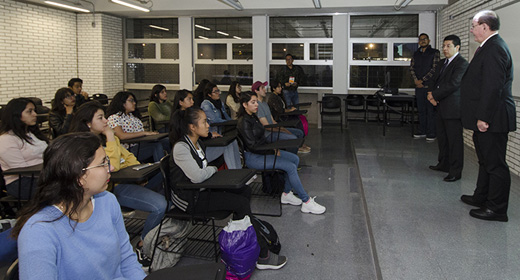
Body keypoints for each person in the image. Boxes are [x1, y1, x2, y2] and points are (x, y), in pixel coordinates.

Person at [12, 132, 146, 280]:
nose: (112, 167)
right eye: (103, 163)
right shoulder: (38, 232)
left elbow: (126, 258)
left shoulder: (107, 201)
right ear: (79, 177)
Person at [169, 107, 287, 269]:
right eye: (204, 121)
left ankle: (240, 239)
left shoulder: (198, 143)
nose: (208, 124)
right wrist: (213, 169)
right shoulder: (181, 147)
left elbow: (202, 172)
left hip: (202, 190)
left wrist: (209, 170)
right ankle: (263, 255)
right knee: (240, 204)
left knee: (244, 191)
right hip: (189, 200)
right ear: (192, 127)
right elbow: (197, 176)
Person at [70, 101, 166, 264]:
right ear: (88, 124)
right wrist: (109, 136)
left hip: (127, 180)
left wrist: (138, 172)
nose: (106, 121)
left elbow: (128, 157)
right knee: (160, 206)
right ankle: (143, 243)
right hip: (112, 188)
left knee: (164, 173)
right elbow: (111, 166)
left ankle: (157, 232)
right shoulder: (83, 145)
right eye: (100, 118)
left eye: (104, 117)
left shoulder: (109, 138)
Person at [460, 10, 516, 222]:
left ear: (485, 26)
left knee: (495, 164)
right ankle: (481, 196)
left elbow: (492, 87)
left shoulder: (495, 48)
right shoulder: (488, 47)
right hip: (486, 117)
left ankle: (497, 209)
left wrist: (484, 117)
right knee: (484, 161)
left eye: (474, 26)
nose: (471, 30)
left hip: (493, 118)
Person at [237, 91, 326, 215]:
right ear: (244, 104)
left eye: (256, 101)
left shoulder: (253, 116)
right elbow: (253, 146)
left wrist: (273, 148)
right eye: (253, 102)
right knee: (290, 167)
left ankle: (286, 194)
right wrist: (271, 150)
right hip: (254, 157)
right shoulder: (243, 122)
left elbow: (262, 139)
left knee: (295, 159)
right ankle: (306, 202)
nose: (256, 104)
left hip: (263, 151)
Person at [426, 35, 469, 182]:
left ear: (457, 47)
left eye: (448, 46)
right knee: (443, 139)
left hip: (453, 109)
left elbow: (453, 84)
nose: (445, 49)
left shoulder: (462, 64)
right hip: (440, 107)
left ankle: (455, 171)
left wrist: (434, 96)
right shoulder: (442, 63)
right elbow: (433, 80)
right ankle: (443, 164)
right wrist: (430, 93)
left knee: (454, 141)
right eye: (444, 46)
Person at [171, 89, 242, 169]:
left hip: (200, 147)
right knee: (227, 145)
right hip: (194, 154)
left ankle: (238, 171)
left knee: (232, 141)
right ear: (180, 102)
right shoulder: (180, 119)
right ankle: (235, 174)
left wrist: (209, 134)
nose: (192, 102)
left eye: (192, 99)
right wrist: (209, 134)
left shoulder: (192, 115)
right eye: (189, 99)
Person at [0, 98, 48, 199]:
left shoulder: (32, 134)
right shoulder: (6, 139)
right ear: (16, 115)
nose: (35, 114)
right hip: (21, 183)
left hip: (41, 176)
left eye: (34, 111)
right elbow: (21, 169)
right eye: (29, 111)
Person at [107, 91, 168, 163]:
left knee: (166, 141)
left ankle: (171, 167)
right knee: (156, 146)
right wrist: (144, 133)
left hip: (140, 144)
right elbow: (121, 136)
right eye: (131, 101)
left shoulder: (134, 117)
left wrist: (151, 134)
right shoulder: (115, 118)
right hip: (127, 149)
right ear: (122, 102)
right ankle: (161, 170)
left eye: (134, 101)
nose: (134, 103)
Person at [252, 81, 310, 154]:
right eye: (262, 88)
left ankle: (296, 148)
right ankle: (292, 156)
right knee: (293, 138)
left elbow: (273, 121)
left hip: (274, 129)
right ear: (256, 91)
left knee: (299, 133)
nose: (265, 90)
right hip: (268, 134)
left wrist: (282, 128)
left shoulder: (264, 103)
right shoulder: (258, 106)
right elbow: (267, 127)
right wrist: (282, 130)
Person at [410, 33, 440, 141]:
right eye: (420, 40)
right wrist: (416, 80)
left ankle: (431, 132)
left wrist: (422, 80)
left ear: (429, 40)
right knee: (421, 110)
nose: (422, 41)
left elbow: (435, 69)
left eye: (425, 39)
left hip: (429, 87)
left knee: (430, 110)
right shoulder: (416, 54)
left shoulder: (434, 53)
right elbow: (412, 68)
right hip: (419, 87)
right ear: (418, 42)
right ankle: (422, 130)